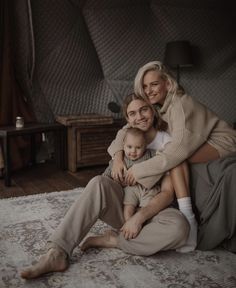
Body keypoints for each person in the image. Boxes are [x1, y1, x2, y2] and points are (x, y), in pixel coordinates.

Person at [20, 94, 189, 279]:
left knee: (180, 228)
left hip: (154, 210)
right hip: (125, 206)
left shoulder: (167, 141)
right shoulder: (124, 138)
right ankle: (57, 252)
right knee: (98, 182)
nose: (139, 116)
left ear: (153, 110)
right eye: (132, 113)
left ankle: (114, 240)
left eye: (144, 109)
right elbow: (110, 178)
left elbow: (167, 193)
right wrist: (117, 159)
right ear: (127, 119)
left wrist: (139, 217)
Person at [108, 60, 236, 251]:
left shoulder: (181, 104)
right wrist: (118, 158)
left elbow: (177, 151)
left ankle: (189, 219)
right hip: (199, 141)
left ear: (167, 83)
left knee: (174, 158)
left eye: (154, 84)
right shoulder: (157, 105)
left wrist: (139, 170)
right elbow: (126, 130)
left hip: (223, 143)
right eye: (145, 86)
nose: (149, 90)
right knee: (168, 154)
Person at [103, 127, 171, 223]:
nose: (133, 151)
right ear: (123, 145)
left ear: (145, 146)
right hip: (130, 189)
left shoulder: (150, 154)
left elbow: (161, 161)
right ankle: (128, 223)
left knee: (148, 208)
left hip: (148, 188)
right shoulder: (121, 160)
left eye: (138, 147)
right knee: (128, 207)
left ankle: (140, 224)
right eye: (129, 147)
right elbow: (108, 173)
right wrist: (107, 178)